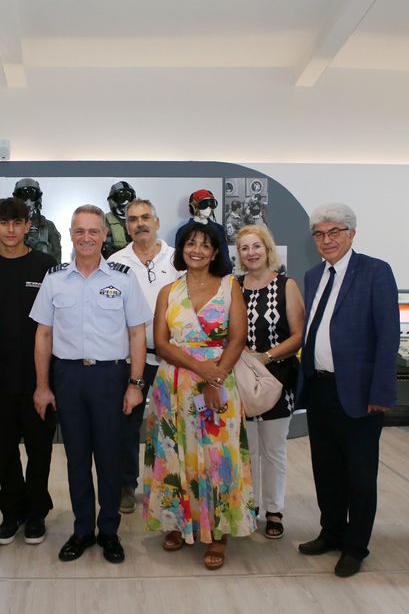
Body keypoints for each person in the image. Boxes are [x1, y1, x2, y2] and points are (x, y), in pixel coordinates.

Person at [30, 205, 150, 565]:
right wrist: (42, 386)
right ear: (70, 234)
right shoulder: (55, 279)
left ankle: (109, 531)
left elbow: (137, 333)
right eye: (79, 231)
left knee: (110, 457)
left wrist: (135, 383)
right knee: (77, 457)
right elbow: (43, 335)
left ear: (104, 235)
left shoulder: (123, 278)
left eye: (93, 231)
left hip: (110, 377)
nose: (86, 238)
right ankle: (82, 529)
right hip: (68, 377)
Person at [143, 221, 255, 570]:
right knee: (174, 454)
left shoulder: (230, 287)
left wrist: (213, 379)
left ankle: (218, 533)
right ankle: (177, 522)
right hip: (173, 385)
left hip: (219, 383)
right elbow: (161, 343)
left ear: (216, 252)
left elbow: (237, 338)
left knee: (218, 457)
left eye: (205, 245)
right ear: (181, 249)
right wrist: (198, 368)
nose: (197, 250)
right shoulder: (168, 291)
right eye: (191, 243)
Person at [296, 202, 398, 578]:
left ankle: (356, 546)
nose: (326, 240)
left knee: (359, 474)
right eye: (319, 234)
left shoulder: (375, 272)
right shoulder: (313, 275)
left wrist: (381, 393)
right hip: (320, 389)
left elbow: (388, 337)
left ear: (352, 234)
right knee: (326, 469)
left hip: (359, 393)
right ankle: (332, 532)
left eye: (334, 232)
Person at [0, 198, 57, 545]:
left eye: (17, 223)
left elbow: (53, 326)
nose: (10, 230)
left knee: (40, 450)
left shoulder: (46, 266)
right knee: (4, 451)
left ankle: (36, 513)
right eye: (4, 223)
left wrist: (46, 383)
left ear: (27, 226)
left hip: (40, 378)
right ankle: (11, 512)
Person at [105, 199, 178, 514]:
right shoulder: (115, 262)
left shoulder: (177, 259)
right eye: (133, 219)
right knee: (126, 423)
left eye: (145, 217)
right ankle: (126, 484)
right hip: (130, 359)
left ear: (157, 222)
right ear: (126, 226)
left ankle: (170, 485)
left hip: (171, 358)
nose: (140, 224)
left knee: (170, 424)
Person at [235, 225, 304, 540]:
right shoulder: (233, 286)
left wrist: (266, 356)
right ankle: (249, 507)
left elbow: (299, 335)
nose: (251, 253)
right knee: (247, 450)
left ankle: (274, 511)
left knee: (274, 450)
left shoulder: (286, 285)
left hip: (278, 379)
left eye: (256, 246)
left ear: (267, 249)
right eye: (244, 248)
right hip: (242, 381)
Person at [174, 189, 232, 273]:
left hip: (215, 275)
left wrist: (227, 276)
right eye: (204, 204)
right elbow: (180, 260)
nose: (208, 208)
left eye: (211, 204)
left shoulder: (219, 230)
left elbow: (225, 258)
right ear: (194, 206)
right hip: (190, 275)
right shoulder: (183, 231)